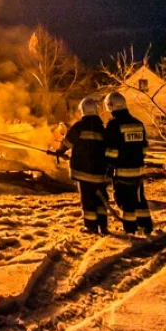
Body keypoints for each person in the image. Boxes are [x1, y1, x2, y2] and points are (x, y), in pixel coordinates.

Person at [55, 97, 110, 234]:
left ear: (82, 111)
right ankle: (103, 226)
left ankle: (90, 227)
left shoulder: (79, 127)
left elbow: (67, 143)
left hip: (83, 172)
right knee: (101, 200)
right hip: (100, 174)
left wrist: (60, 151)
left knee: (87, 200)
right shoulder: (102, 129)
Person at [103, 91, 153, 236]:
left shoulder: (113, 124)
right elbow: (144, 149)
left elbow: (111, 152)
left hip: (122, 171)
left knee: (125, 202)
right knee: (139, 198)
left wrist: (107, 167)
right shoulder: (138, 123)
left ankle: (130, 229)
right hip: (138, 170)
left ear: (110, 106)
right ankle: (146, 225)